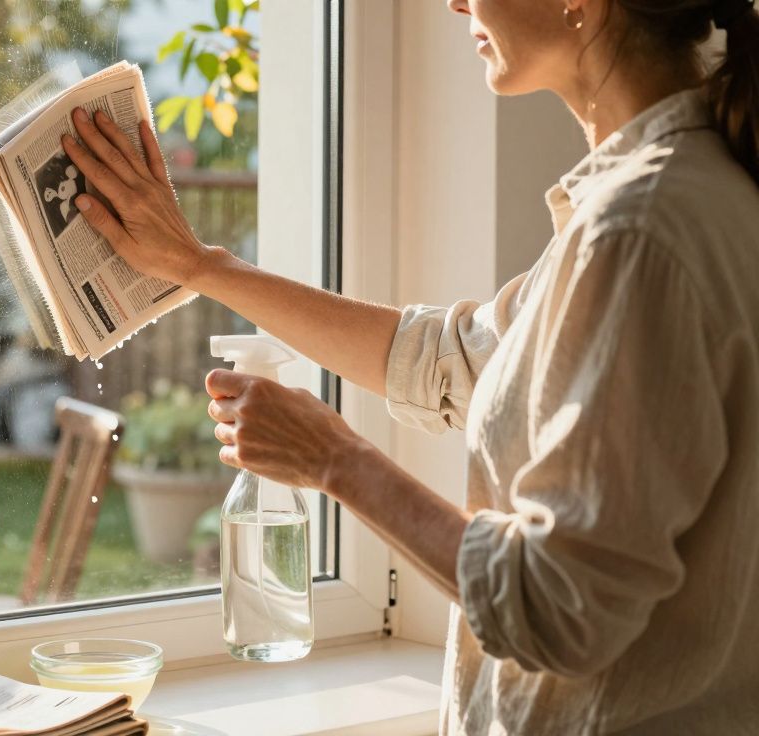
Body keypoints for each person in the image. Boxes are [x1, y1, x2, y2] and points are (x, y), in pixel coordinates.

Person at [63, 0, 759, 732]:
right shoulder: (682, 195)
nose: (457, 2)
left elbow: (557, 608)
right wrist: (198, 266)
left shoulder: (640, 229)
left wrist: (336, 460)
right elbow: (450, 361)